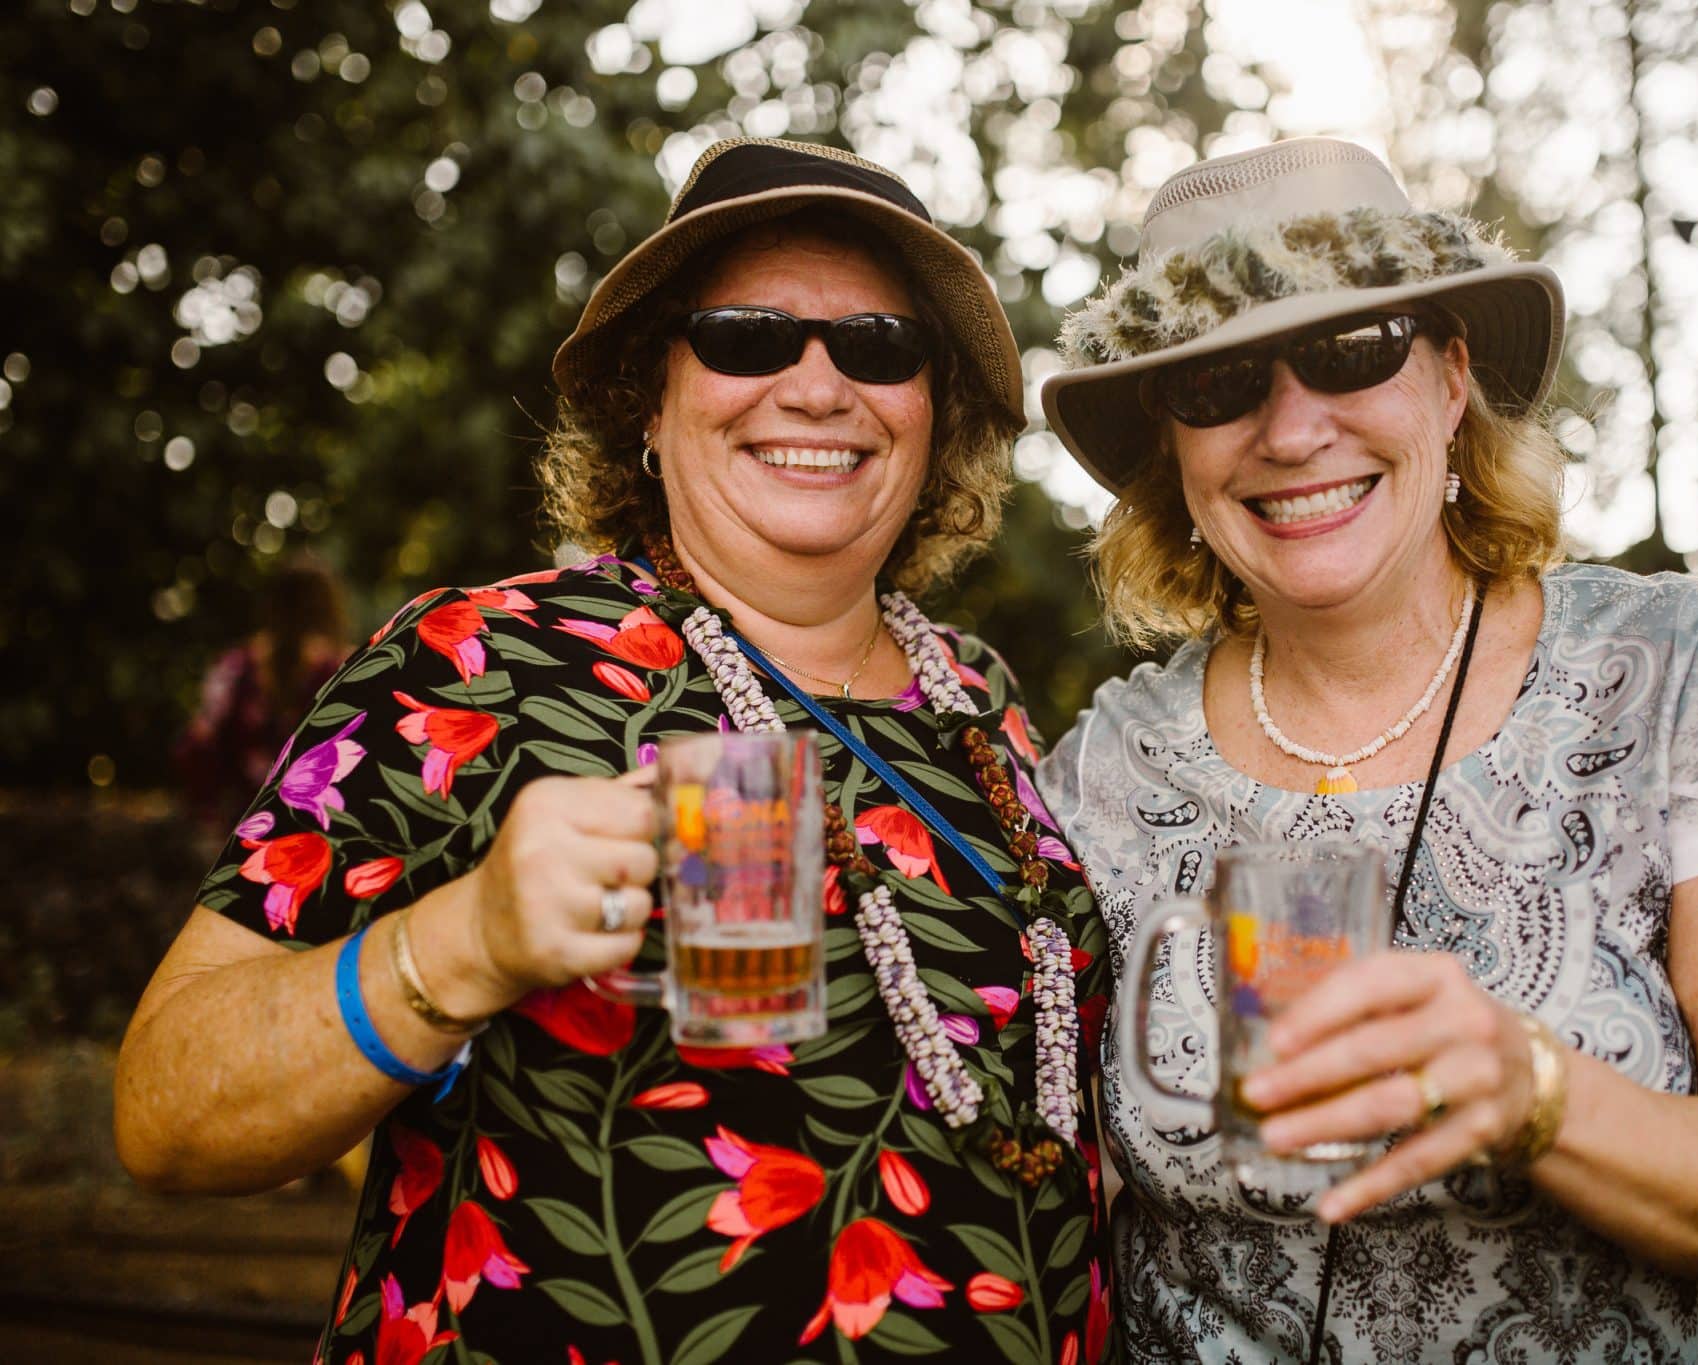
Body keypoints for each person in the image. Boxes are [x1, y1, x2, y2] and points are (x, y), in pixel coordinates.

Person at [116, 138, 1113, 1364]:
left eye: (878, 345)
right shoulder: (476, 660)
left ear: (932, 410)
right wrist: (466, 941)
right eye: (747, 336)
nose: (817, 386)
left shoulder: (981, 703)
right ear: (650, 396)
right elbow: (163, 1111)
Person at [1036, 137, 1698, 1362]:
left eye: (1349, 349)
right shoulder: (1101, 769)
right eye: (1216, 381)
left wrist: (1530, 1091)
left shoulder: (1673, 670)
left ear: (1448, 381)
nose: (1290, 429)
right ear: (1172, 445)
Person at [174, 554, 351, 830]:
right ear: (331, 609)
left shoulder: (235, 668)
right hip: (318, 833)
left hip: (241, 831)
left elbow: (198, 748)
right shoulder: (345, 672)